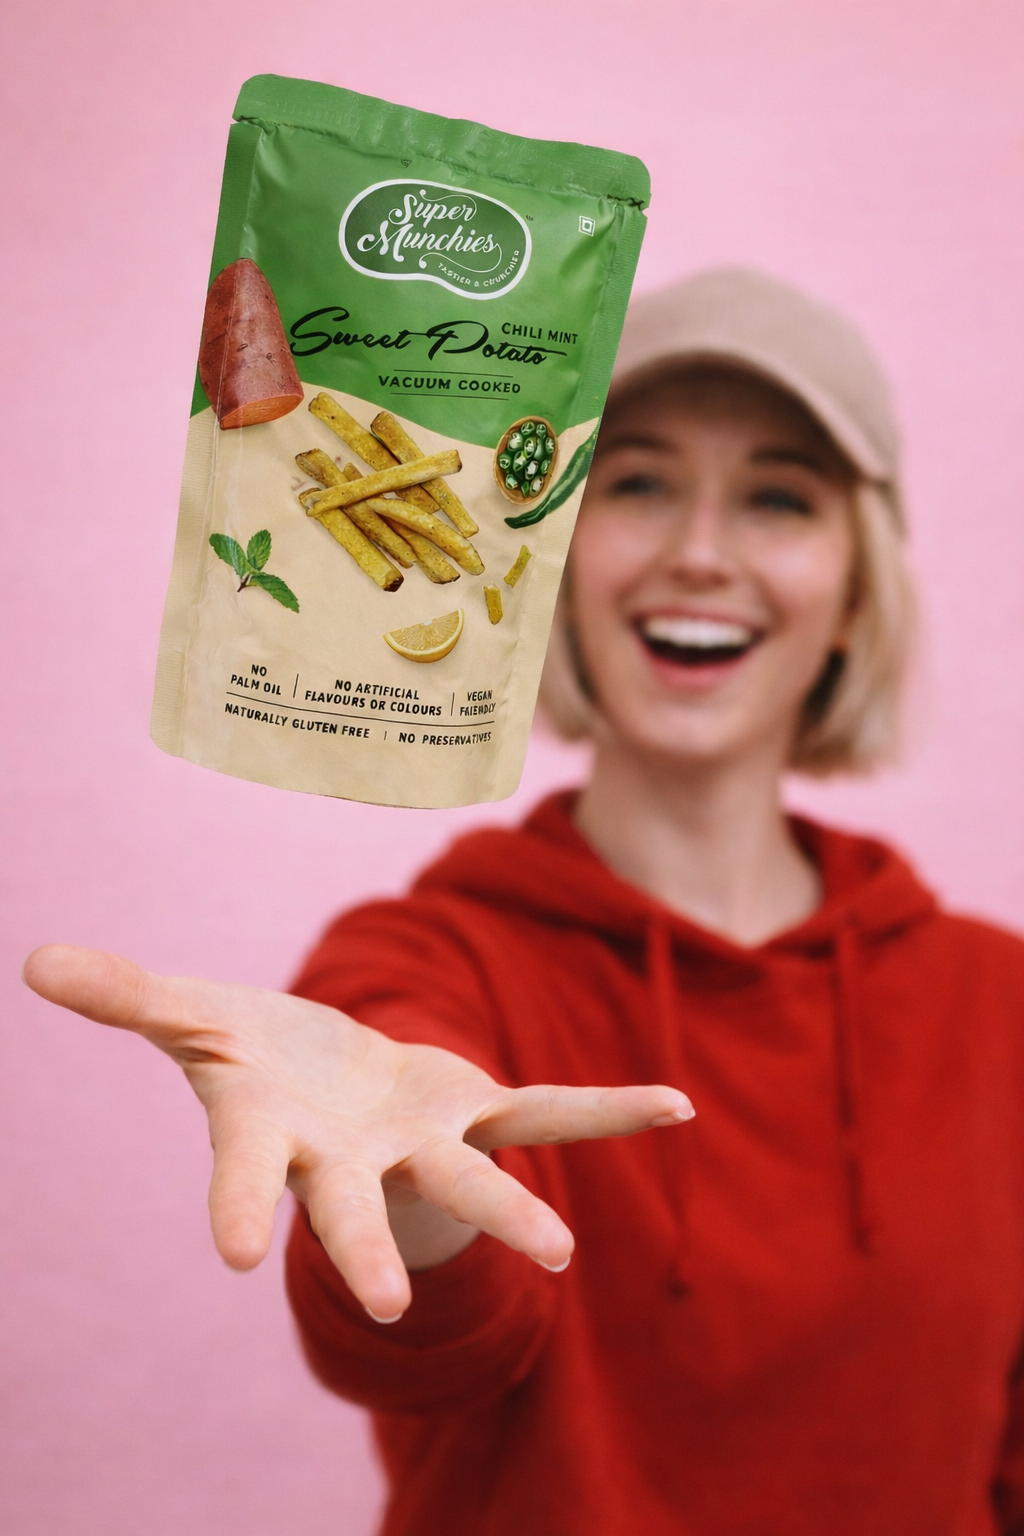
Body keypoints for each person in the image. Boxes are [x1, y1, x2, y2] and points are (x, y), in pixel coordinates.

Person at [25, 269, 1024, 1536]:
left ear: (856, 587)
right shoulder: (425, 959)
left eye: (778, 497)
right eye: (640, 482)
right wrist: (407, 1190)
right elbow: (423, 1344)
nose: (700, 552)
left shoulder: (1001, 1005)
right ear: (549, 551)